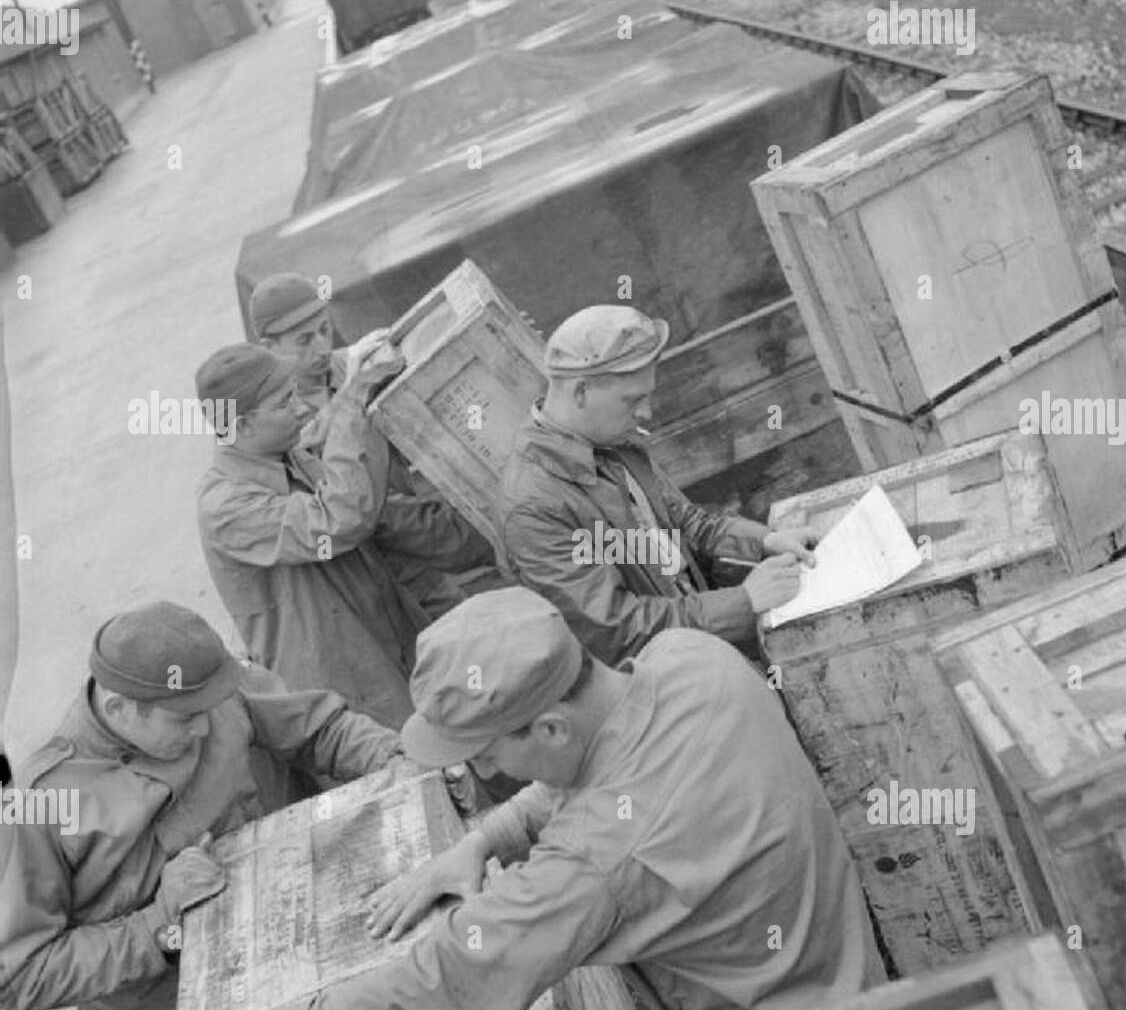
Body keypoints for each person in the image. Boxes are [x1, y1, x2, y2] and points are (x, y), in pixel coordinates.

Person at [157, 589, 883, 1010]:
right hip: (849, 977)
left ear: (551, 726)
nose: (487, 771)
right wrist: (483, 838)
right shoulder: (687, 659)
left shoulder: (595, 865)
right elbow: (612, 766)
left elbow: (449, 976)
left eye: (490, 751)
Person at [0, 602, 402, 1010]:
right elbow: (20, 972)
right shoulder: (40, 806)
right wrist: (158, 925)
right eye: (182, 721)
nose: (206, 727)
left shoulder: (208, 691)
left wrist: (393, 757)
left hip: (276, 933)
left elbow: (318, 727)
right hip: (152, 1009)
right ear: (118, 708)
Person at [497, 304, 820, 665]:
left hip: (698, 645)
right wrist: (742, 603)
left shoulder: (612, 441)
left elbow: (687, 523)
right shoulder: (533, 508)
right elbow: (617, 629)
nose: (646, 413)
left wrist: (764, 541)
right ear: (581, 392)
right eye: (633, 400)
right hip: (657, 684)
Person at [196, 342, 449, 729]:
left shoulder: (287, 455)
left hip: (389, 649)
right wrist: (354, 398)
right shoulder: (226, 507)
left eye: (296, 393)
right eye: (284, 402)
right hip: (342, 698)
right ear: (241, 425)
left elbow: (385, 520)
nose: (301, 408)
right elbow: (340, 519)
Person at [248, 271, 502, 617]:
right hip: (363, 565)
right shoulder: (271, 412)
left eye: (324, 330)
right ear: (269, 348)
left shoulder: (348, 364)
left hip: (415, 545)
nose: (321, 347)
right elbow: (304, 448)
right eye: (304, 340)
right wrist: (355, 389)